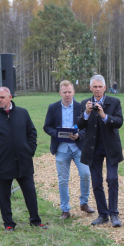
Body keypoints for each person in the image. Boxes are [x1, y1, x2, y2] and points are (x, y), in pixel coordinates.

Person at [0, 87, 47, 231]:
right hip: (2, 163)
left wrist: (29, 150)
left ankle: (35, 221)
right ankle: (9, 224)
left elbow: (32, 132)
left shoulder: (22, 113)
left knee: (30, 192)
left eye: (2, 97)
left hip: (24, 162)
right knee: (4, 196)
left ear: (10, 97)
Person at [43, 80, 94, 220]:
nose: (67, 95)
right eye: (64, 92)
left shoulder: (80, 106)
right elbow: (46, 127)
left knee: (85, 174)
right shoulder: (53, 107)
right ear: (60, 93)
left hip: (78, 147)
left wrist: (78, 135)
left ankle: (84, 203)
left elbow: (87, 126)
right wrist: (58, 134)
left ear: (74, 92)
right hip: (61, 148)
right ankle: (65, 209)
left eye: (69, 92)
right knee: (63, 180)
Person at [78, 74, 124, 227]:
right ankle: (103, 214)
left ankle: (114, 214)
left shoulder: (114, 102)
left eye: (100, 87)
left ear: (105, 88)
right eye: (95, 87)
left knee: (112, 179)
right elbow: (79, 124)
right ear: (91, 88)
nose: (97, 90)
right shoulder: (85, 103)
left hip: (110, 147)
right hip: (93, 149)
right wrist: (87, 113)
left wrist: (104, 115)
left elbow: (119, 122)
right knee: (97, 183)